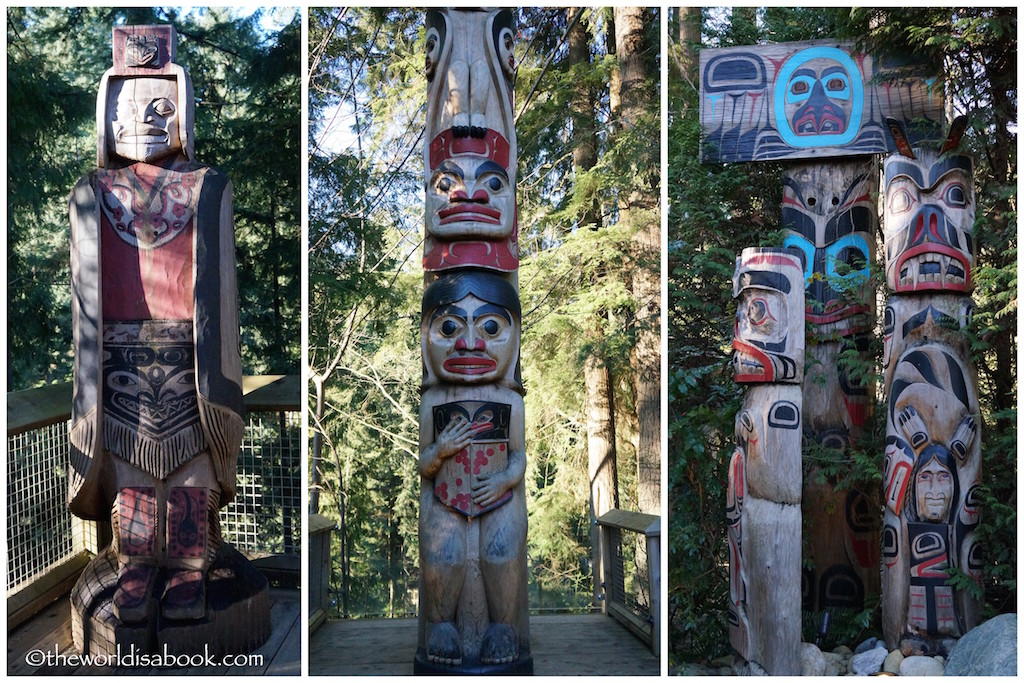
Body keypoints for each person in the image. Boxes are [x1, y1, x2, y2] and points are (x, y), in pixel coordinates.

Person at [69, 26, 243, 623]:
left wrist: (218, 377)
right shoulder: (92, 192)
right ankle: (139, 567)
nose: (142, 120)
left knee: (192, 476)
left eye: (160, 106)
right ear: (105, 117)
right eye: (125, 107)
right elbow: (85, 301)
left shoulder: (207, 188)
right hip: (119, 363)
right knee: (136, 480)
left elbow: (219, 289)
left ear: (185, 113)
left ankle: (190, 569)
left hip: (190, 361)